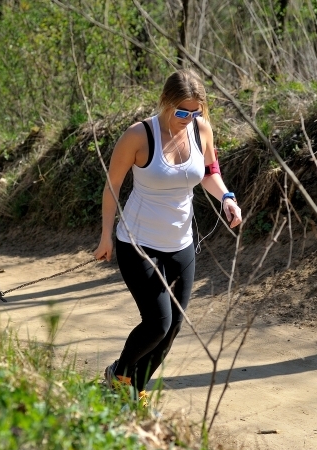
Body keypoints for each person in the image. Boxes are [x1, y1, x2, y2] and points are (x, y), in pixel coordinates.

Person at [93, 70, 242, 407]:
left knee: (173, 327)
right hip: (138, 242)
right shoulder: (138, 136)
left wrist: (227, 199)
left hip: (181, 243)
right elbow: (112, 186)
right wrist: (105, 235)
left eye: (195, 113)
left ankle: (133, 386)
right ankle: (119, 374)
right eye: (181, 113)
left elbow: (209, 172)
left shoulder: (200, 129)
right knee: (158, 323)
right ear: (165, 102)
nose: (188, 120)